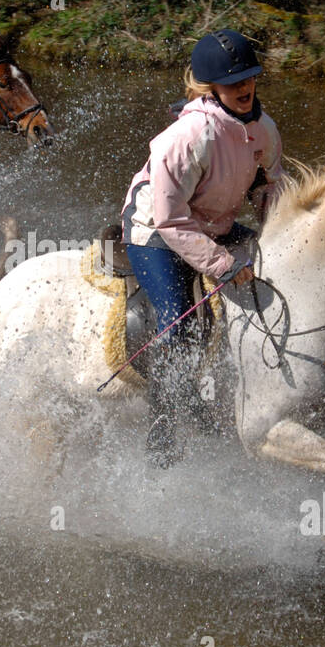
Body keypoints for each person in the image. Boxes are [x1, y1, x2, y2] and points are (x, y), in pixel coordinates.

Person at [120, 29, 283, 466]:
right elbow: (171, 220)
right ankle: (162, 441)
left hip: (214, 224)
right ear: (212, 88)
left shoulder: (264, 130)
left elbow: (269, 189)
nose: (245, 88)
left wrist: (276, 227)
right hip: (154, 230)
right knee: (179, 328)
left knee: (281, 270)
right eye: (234, 84)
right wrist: (223, 263)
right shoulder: (188, 136)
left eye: (249, 79)